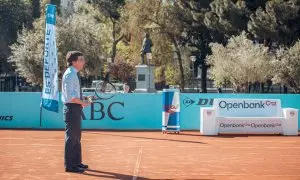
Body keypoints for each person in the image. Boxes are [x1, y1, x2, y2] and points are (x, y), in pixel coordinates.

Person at [61, 51, 90, 173]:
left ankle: (77, 162)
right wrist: (83, 103)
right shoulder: (70, 75)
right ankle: (70, 165)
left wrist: (82, 100)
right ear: (74, 62)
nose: (83, 62)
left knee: (77, 137)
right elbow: (70, 97)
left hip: (75, 108)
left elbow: (74, 95)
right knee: (71, 138)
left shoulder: (74, 74)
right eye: (81, 60)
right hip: (71, 108)